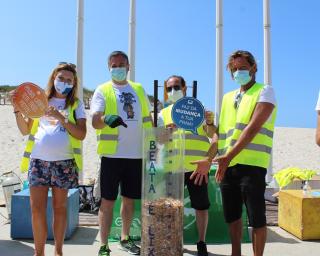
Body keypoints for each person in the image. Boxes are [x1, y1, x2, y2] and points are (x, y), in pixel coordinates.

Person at [191, 50, 277, 256]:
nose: (239, 72)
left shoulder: (265, 91)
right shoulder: (228, 98)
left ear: (254, 68)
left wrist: (228, 157)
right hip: (227, 166)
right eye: (235, 69)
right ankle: (235, 253)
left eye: (243, 68)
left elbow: (252, 128)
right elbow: (220, 135)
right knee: (232, 215)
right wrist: (209, 157)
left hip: (252, 164)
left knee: (257, 217)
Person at [11, 62, 87, 256]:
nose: (64, 82)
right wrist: (17, 110)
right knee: (36, 209)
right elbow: (24, 130)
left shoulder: (76, 105)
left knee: (60, 208)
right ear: (53, 78)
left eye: (69, 80)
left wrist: (61, 118)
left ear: (74, 83)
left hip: (64, 163)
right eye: (61, 78)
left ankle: (58, 252)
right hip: (38, 161)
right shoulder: (40, 100)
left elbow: (81, 134)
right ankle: (39, 253)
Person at [91, 51, 152, 256]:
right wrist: (106, 118)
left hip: (136, 157)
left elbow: (147, 120)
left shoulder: (138, 89)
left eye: (121, 64)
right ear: (109, 67)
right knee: (107, 202)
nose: (118, 68)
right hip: (111, 157)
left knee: (129, 201)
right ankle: (104, 245)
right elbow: (95, 121)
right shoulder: (102, 90)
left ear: (128, 67)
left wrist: (152, 142)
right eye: (114, 65)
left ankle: (125, 238)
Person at [158, 75, 216, 256]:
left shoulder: (199, 110)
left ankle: (201, 242)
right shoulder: (163, 113)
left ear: (185, 88)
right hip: (172, 168)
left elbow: (214, 134)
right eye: (169, 88)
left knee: (201, 206)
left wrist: (210, 122)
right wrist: (166, 132)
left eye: (176, 87)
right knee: (171, 208)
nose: (172, 91)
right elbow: (158, 140)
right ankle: (174, 241)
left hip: (196, 169)